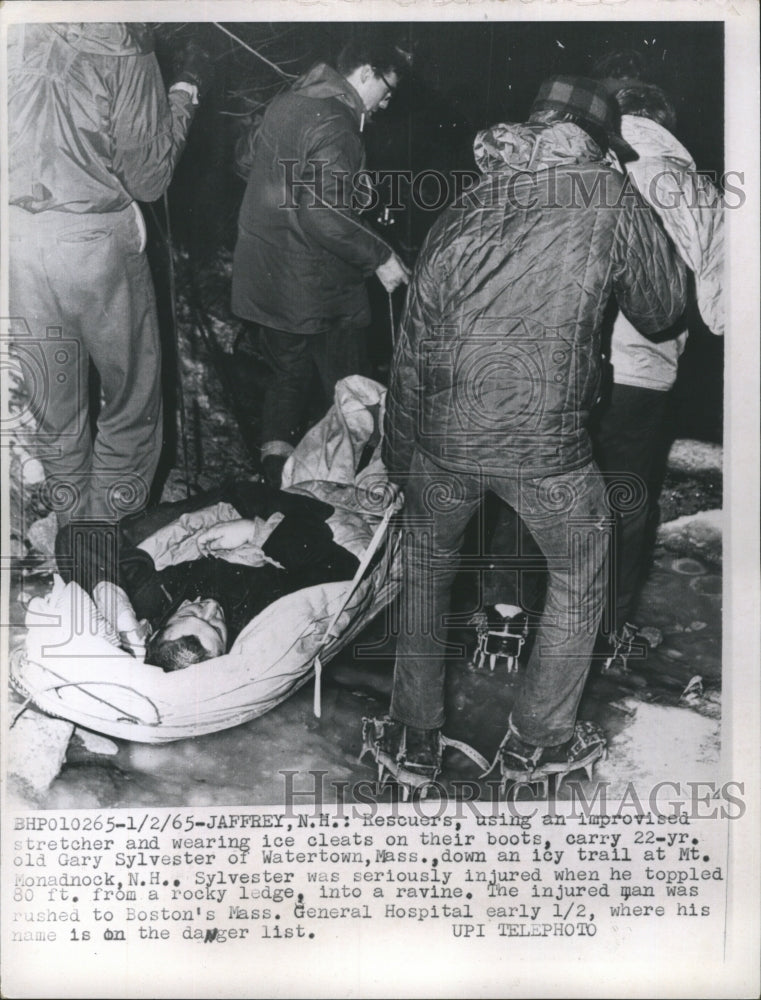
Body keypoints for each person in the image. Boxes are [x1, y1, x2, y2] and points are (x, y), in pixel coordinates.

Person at [366, 76, 688, 795]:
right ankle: (539, 741)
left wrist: (400, 450)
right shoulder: (606, 197)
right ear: (595, 145)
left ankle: (411, 739)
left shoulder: (470, 200)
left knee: (425, 571)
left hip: (442, 437)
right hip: (545, 449)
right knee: (579, 569)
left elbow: (414, 339)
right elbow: (664, 308)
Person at [8, 22, 209, 524]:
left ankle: (72, 538)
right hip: (95, 243)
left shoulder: (17, 27)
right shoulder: (125, 41)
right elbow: (149, 175)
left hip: (18, 242)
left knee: (55, 403)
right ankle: (110, 544)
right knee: (131, 401)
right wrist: (183, 95)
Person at [231, 35, 411, 489]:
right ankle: (343, 493)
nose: (387, 103)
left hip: (265, 280)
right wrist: (382, 256)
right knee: (351, 390)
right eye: (386, 90)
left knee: (288, 376)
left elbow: (248, 159)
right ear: (365, 72)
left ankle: (275, 480)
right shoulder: (339, 123)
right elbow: (322, 215)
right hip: (313, 290)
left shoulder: (290, 101)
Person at [589, 81, 724, 670]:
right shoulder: (698, 190)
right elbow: (722, 312)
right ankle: (606, 632)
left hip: (567, 362)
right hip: (641, 370)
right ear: (667, 125)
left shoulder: (587, 167)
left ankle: (515, 617)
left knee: (551, 489)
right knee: (625, 499)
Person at [54, 480, 360, 671]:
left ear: (157, 630)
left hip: (225, 501)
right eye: (216, 625)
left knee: (137, 534)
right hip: (268, 509)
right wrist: (253, 530)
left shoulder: (152, 605)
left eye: (192, 611)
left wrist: (118, 609)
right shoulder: (262, 614)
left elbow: (77, 537)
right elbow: (342, 567)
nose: (211, 607)